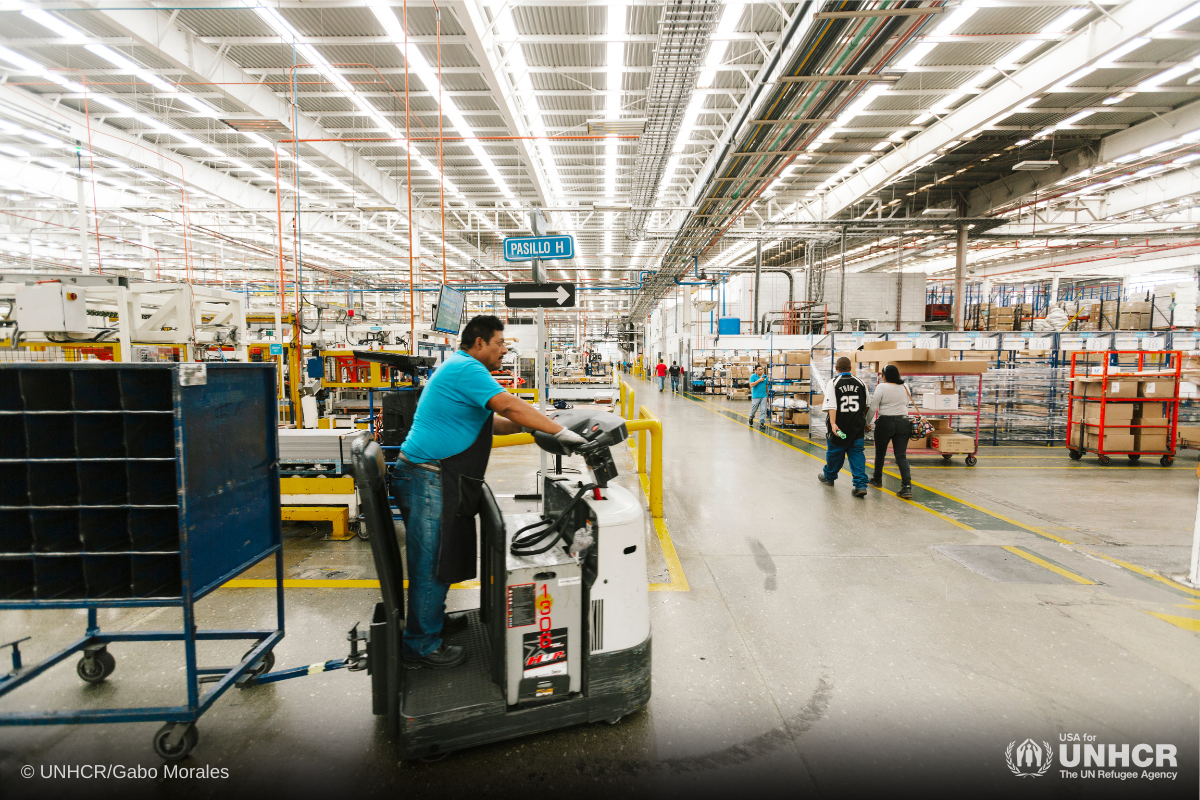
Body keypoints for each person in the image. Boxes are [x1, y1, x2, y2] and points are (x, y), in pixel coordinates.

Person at [394, 315, 588, 669]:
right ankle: (420, 645)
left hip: (438, 476)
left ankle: (430, 622)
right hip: (429, 476)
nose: (504, 350)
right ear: (479, 343)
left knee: (443, 555)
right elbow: (509, 405)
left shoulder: (462, 369)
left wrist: (538, 425)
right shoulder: (466, 369)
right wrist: (559, 431)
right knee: (433, 563)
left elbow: (499, 423)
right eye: (500, 343)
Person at [819, 356, 870, 497]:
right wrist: (864, 422)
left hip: (840, 429)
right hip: (857, 428)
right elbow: (867, 405)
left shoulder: (834, 383)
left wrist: (833, 424)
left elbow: (832, 406)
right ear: (850, 368)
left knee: (835, 452)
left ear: (836, 368)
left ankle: (829, 477)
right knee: (857, 453)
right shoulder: (861, 383)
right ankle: (860, 485)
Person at [868, 364, 915, 499]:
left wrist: (866, 423)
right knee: (901, 456)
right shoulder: (905, 387)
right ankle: (906, 487)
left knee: (880, 453)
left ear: (885, 375)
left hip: (885, 423)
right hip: (903, 422)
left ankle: (877, 479)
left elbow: (873, 408)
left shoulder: (882, 387)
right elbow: (906, 404)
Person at [747, 364, 769, 429]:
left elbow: (766, 386)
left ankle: (761, 423)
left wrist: (767, 396)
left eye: (761, 369)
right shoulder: (753, 376)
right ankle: (751, 417)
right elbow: (751, 385)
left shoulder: (765, 377)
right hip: (756, 396)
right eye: (759, 370)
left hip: (764, 396)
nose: (761, 371)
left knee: (763, 410)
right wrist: (759, 380)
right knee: (754, 409)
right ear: (755, 370)